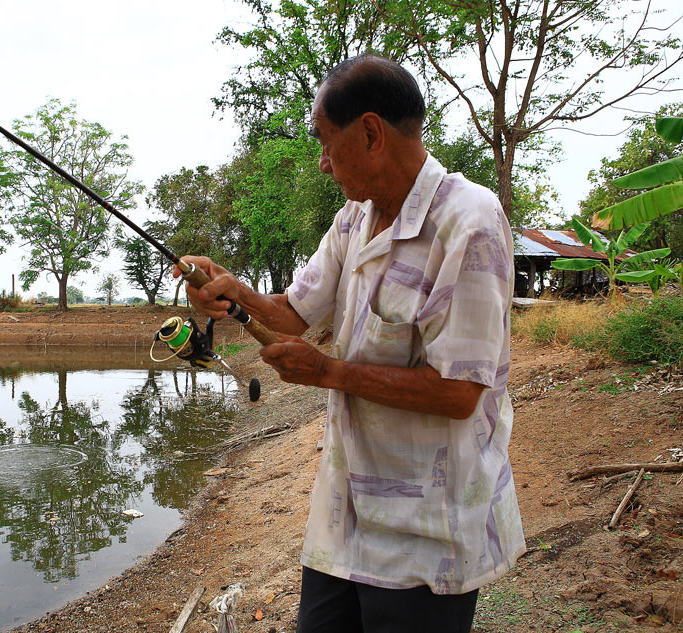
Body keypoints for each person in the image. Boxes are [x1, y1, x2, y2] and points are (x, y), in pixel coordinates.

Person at [175, 54, 525, 633]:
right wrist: (233, 291)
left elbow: (460, 392)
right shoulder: (353, 219)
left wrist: (329, 372)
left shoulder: (470, 224)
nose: (321, 163)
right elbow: (292, 314)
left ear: (369, 133)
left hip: (428, 532)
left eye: (324, 142)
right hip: (346, 518)